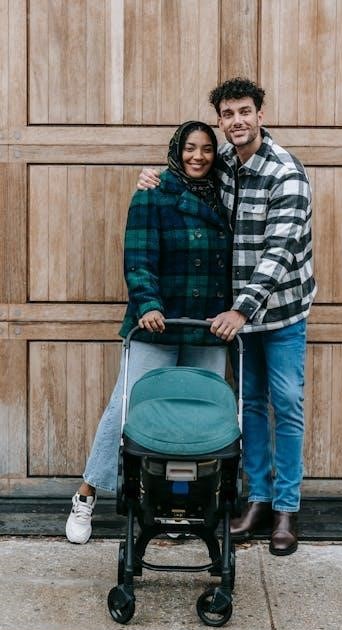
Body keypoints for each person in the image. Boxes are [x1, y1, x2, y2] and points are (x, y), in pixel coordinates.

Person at [137, 78, 317, 556]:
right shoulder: (225, 165)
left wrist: (241, 309)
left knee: (287, 403)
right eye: (228, 114)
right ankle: (256, 502)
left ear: (260, 115)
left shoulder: (286, 173)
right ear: (220, 120)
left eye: (244, 111)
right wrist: (153, 179)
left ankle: (286, 509)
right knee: (249, 404)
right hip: (238, 316)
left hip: (279, 312)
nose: (237, 121)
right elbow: (187, 176)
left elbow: (279, 253)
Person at [65, 121, 232, 544]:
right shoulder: (153, 191)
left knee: (196, 416)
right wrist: (149, 304)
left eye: (206, 149)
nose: (198, 157)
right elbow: (138, 257)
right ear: (177, 150)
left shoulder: (225, 195)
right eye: (190, 148)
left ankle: (177, 504)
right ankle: (87, 492)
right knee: (125, 407)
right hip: (156, 323)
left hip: (207, 325)